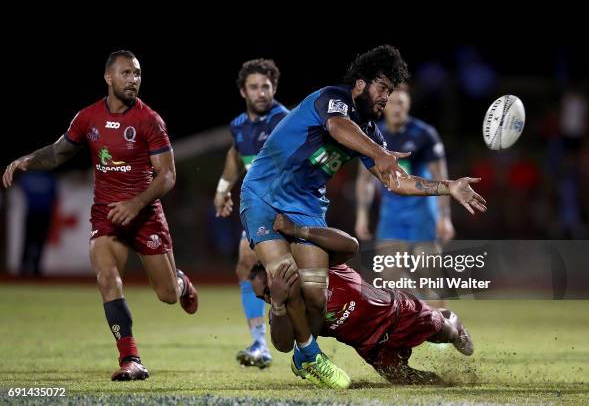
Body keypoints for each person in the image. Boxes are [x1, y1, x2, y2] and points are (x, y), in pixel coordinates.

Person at [239, 45, 485, 388]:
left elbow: (396, 180)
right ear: (360, 84)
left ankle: (302, 354)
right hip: (264, 193)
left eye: (392, 91)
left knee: (314, 296)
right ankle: (311, 357)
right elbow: (338, 127)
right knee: (285, 279)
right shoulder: (333, 99)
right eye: (383, 88)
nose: (387, 97)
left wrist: (448, 187)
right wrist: (379, 152)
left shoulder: (370, 131)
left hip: (307, 203)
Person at [2, 50, 198, 381]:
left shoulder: (150, 120)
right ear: (109, 77)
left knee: (166, 295)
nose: (133, 79)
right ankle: (131, 359)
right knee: (107, 278)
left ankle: (181, 282)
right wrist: (27, 160)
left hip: (145, 214)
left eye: (137, 74)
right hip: (106, 215)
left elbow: (167, 176)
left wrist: (135, 204)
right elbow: (58, 152)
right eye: (126, 73)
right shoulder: (88, 117)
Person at [249, 213, 473, 385]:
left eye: (267, 290)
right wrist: (277, 304)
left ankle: (450, 320)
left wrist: (298, 230)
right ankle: (448, 384)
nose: (267, 298)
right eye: (263, 297)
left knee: (444, 333)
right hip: (370, 347)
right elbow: (284, 345)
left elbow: (351, 245)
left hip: (396, 314)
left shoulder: (315, 269)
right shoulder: (285, 312)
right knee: (405, 379)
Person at [213, 58, 289, 368]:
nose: (260, 93)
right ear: (243, 91)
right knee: (247, 264)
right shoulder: (239, 126)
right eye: (254, 87)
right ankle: (260, 342)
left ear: (274, 88)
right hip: (258, 211)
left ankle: (300, 346)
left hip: (288, 209)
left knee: (290, 279)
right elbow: (236, 154)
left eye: (266, 87)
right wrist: (222, 189)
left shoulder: (284, 120)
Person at [355, 84, 454, 302]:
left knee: (429, 276)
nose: (396, 108)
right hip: (391, 214)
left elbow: (442, 176)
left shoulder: (425, 134)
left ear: (408, 105)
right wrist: (362, 216)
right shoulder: (373, 135)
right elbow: (365, 180)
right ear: (384, 105)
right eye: (392, 103)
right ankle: (417, 306)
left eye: (401, 103)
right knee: (389, 276)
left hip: (423, 214)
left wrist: (445, 218)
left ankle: (442, 321)